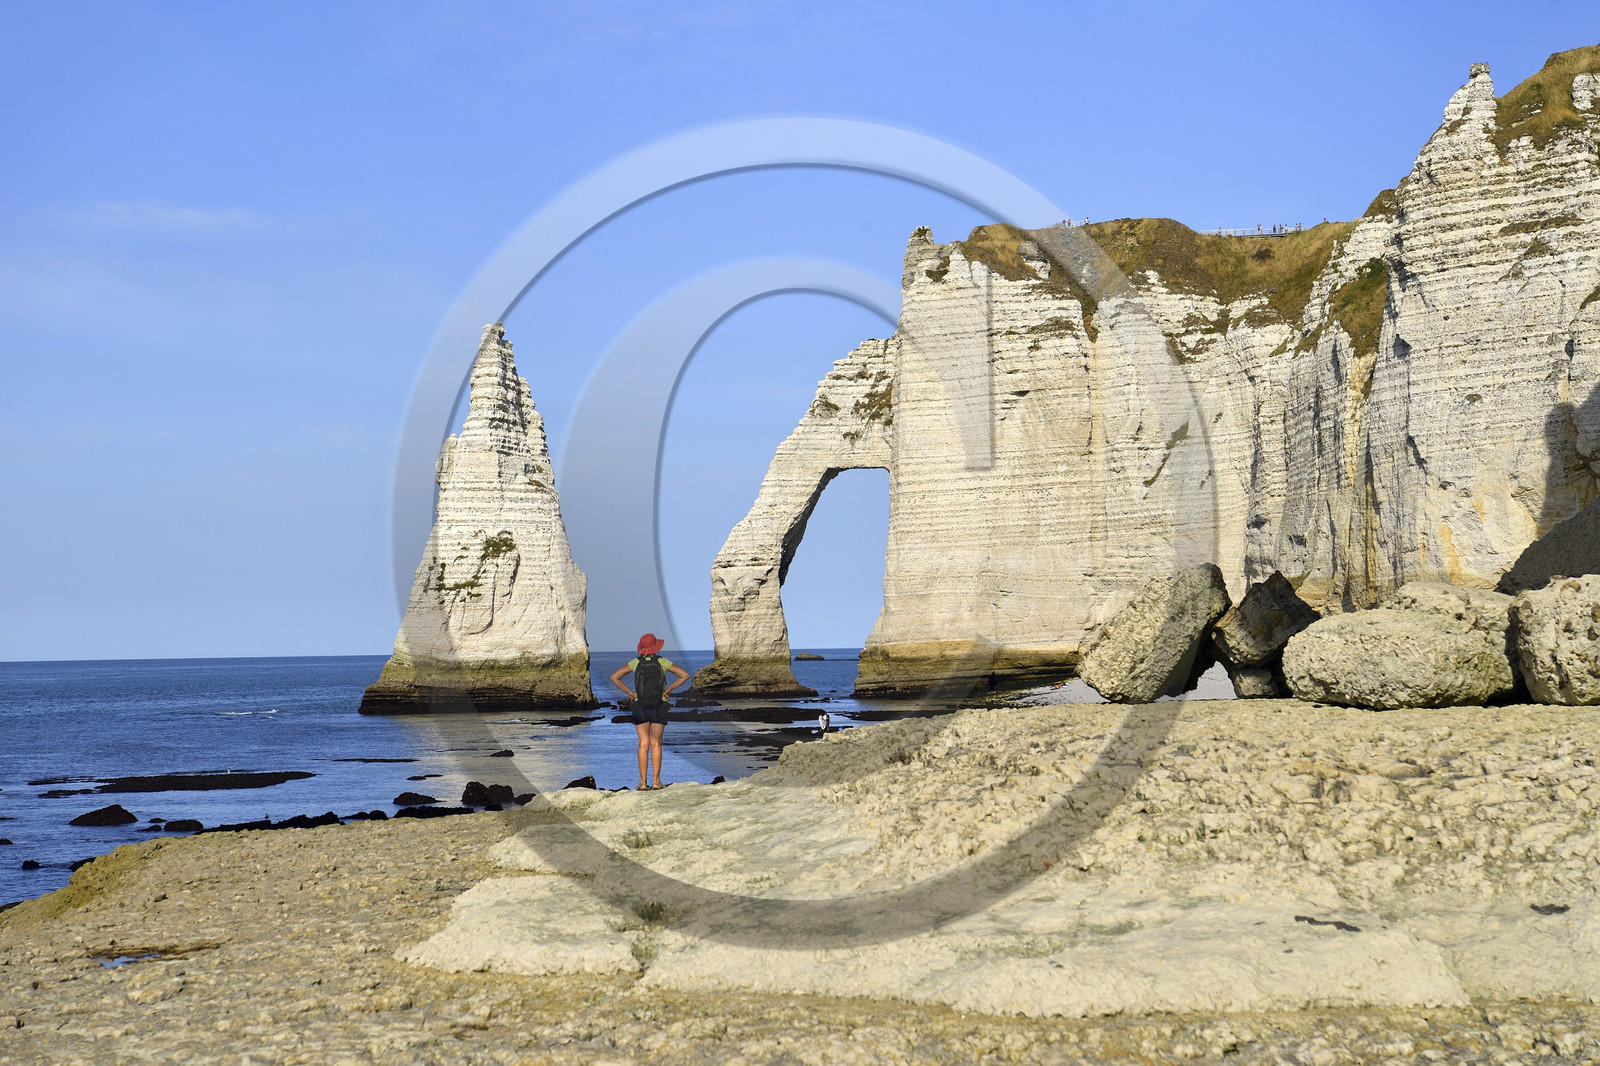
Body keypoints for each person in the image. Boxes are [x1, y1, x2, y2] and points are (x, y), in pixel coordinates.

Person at [609, 633, 689, 790]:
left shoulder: (635, 663)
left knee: (643, 744)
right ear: (656, 648)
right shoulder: (662, 661)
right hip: (659, 705)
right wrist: (670, 688)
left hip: (641, 706)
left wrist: (630, 693)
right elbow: (684, 675)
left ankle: (643, 783)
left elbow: (615, 677)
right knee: (656, 743)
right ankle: (656, 782)